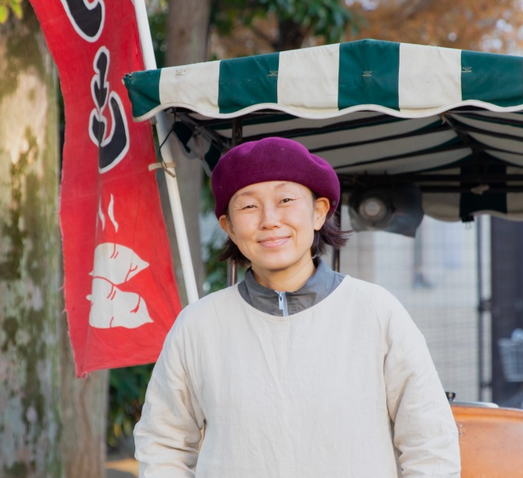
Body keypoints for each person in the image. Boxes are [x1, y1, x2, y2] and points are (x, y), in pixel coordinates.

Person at [134, 137, 461, 478]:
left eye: (286, 199)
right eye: (248, 207)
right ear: (228, 227)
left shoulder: (376, 312)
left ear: (319, 212)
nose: (269, 220)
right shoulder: (199, 325)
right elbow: (164, 444)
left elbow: (430, 445)